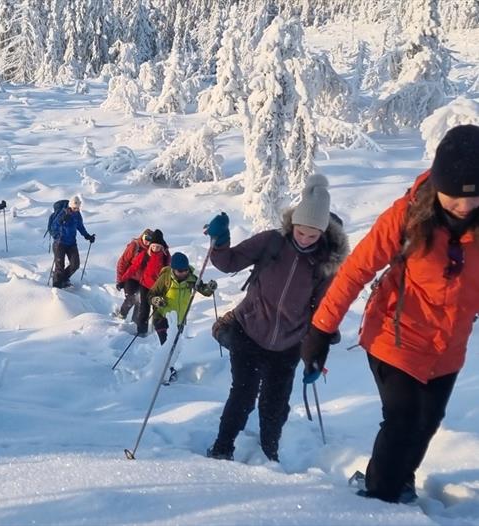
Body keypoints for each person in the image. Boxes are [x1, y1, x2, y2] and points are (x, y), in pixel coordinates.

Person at [300, 124, 479, 503]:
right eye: (454, 199)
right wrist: (320, 332)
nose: (465, 208)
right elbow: (354, 272)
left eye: (474, 198)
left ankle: (402, 479)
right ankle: (378, 498)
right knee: (402, 421)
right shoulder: (407, 216)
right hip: (394, 338)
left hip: (448, 348)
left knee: (427, 423)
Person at [203, 174, 350, 462]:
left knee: (275, 405)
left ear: (322, 233)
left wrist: (316, 356)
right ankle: (222, 449)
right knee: (242, 396)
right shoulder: (271, 242)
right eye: (300, 231)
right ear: (293, 223)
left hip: (288, 345)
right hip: (249, 330)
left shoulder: (323, 265)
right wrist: (220, 241)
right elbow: (227, 262)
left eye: (313, 235)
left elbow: (322, 313)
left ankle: (270, 454)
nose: (305, 239)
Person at [149, 251, 218, 345]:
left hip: (179, 320)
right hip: (162, 318)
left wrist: (210, 288)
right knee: (167, 345)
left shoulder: (191, 279)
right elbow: (151, 294)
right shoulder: (165, 278)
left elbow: (204, 290)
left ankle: (172, 360)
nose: (184, 273)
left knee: (174, 347)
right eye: (180, 271)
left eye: (186, 270)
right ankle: (162, 359)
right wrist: (156, 300)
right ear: (173, 269)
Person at [117, 229, 169, 336]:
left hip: (158, 287)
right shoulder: (143, 253)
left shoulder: (165, 255)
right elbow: (132, 267)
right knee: (143, 308)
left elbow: (169, 271)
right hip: (144, 284)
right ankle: (140, 331)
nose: (155, 248)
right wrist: (121, 280)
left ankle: (158, 332)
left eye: (158, 246)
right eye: (153, 245)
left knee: (157, 311)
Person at [50, 195, 95, 288]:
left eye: (78, 208)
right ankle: (57, 287)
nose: (76, 210)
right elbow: (54, 226)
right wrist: (62, 220)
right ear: (70, 206)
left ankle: (64, 279)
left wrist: (87, 236)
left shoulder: (77, 215)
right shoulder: (63, 213)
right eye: (75, 208)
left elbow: (80, 227)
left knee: (75, 264)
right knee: (59, 267)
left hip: (71, 243)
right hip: (60, 243)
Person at [115, 228, 153, 320]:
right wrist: (120, 280)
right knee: (131, 298)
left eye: (150, 240)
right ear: (142, 236)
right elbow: (122, 262)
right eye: (146, 238)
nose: (147, 241)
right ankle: (121, 314)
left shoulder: (152, 250)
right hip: (131, 277)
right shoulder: (135, 246)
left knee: (140, 301)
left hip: (143, 280)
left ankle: (135, 322)